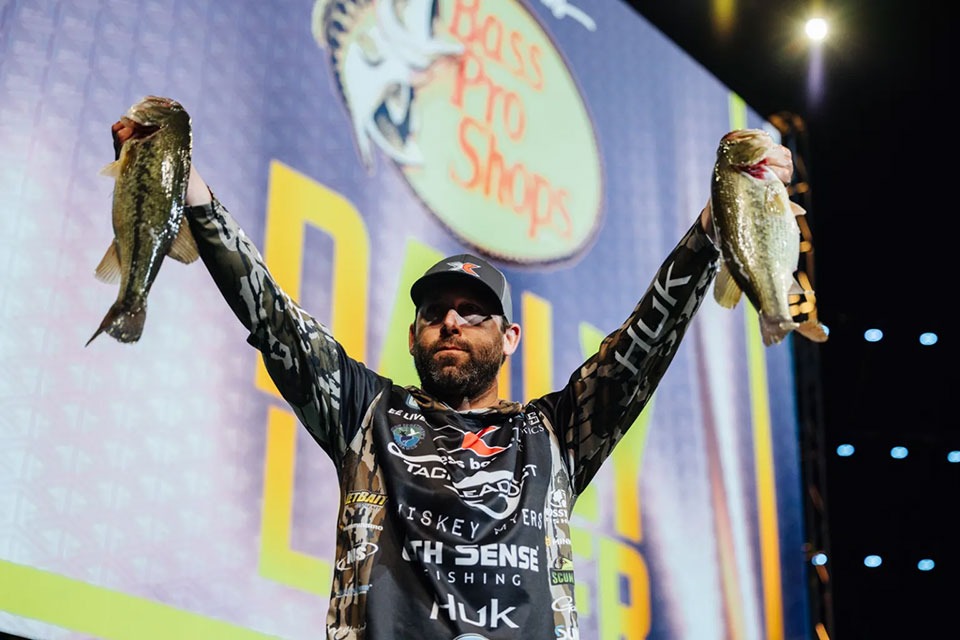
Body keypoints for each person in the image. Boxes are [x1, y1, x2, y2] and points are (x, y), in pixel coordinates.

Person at [112, 118, 795, 639]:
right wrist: (184, 187)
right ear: (412, 335)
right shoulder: (365, 413)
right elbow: (273, 316)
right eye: (435, 313)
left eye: (473, 313)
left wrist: (722, 218)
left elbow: (643, 344)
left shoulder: (556, 432)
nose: (451, 324)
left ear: (510, 337)